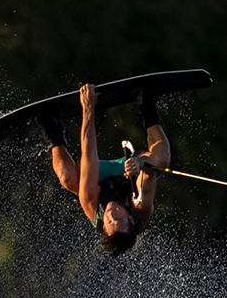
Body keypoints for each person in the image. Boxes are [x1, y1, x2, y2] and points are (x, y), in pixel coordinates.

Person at [48, 80, 171, 255]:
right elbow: (150, 172)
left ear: (104, 227)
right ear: (130, 217)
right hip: (130, 170)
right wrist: (139, 165)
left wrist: (88, 107)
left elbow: (89, 154)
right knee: (162, 162)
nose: (111, 215)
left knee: (68, 178)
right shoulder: (141, 208)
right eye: (119, 218)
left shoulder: (92, 204)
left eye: (109, 222)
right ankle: (147, 107)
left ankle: (53, 132)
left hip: (99, 178)